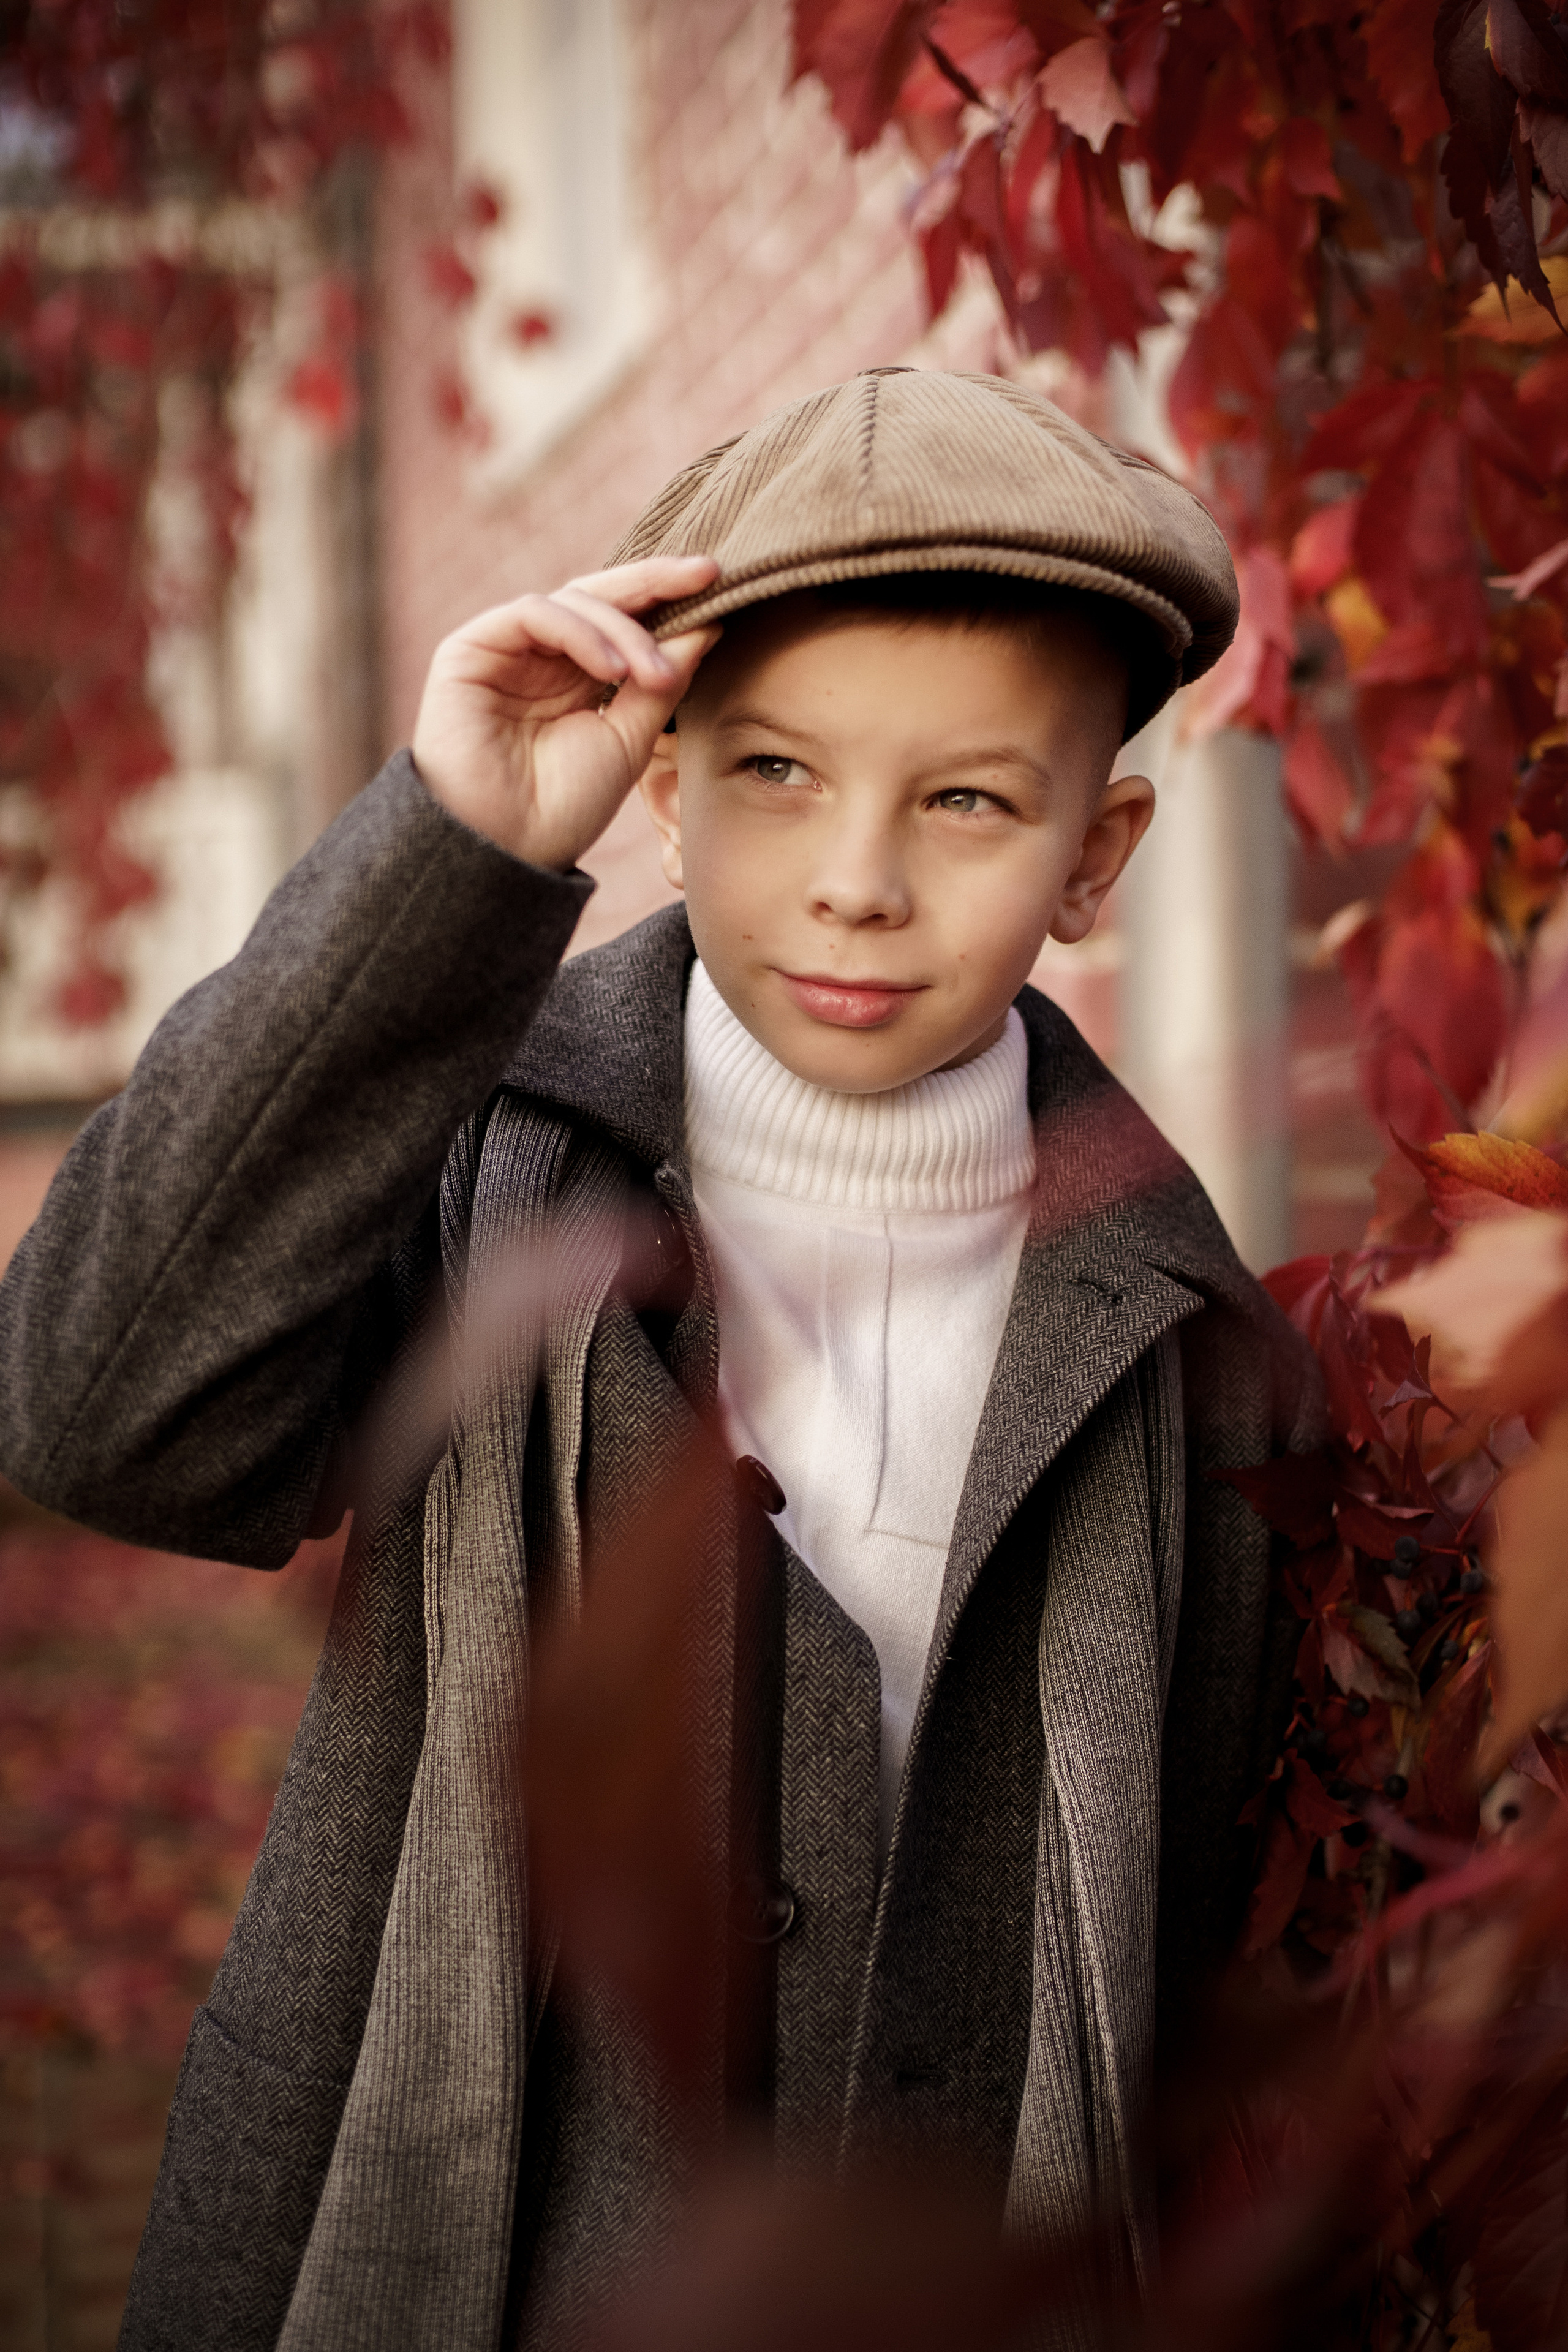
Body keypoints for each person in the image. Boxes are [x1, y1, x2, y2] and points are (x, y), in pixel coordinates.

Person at [0, 368, 1319, 2351]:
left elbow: (1206, 1965)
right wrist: (451, 860)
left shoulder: (1200, 1351)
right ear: (670, 784)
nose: (859, 879)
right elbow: (103, 1415)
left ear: (1097, 851)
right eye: (778, 772)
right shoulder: (464, 1170)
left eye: (967, 798)